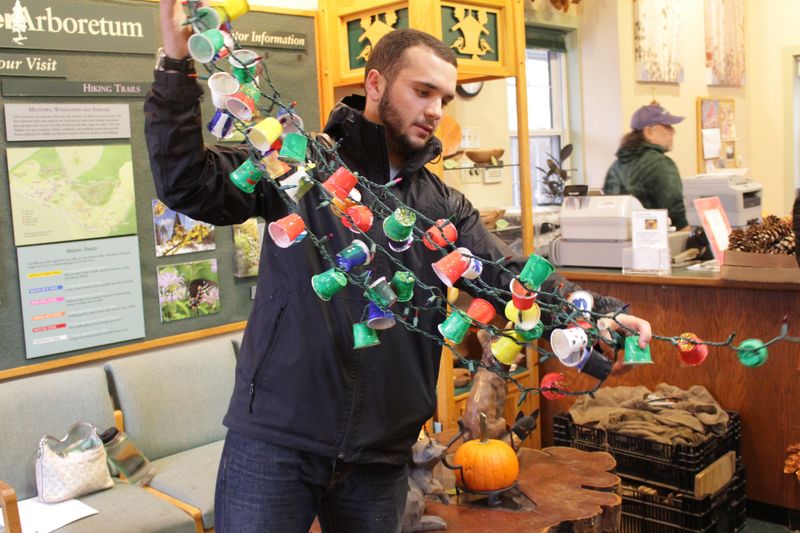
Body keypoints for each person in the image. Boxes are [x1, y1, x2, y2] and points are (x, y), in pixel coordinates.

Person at [145, 2, 652, 531]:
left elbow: (509, 276)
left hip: (381, 452)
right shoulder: (298, 165)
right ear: (376, 84)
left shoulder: (441, 209)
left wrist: (598, 317)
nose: (436, 109)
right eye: (422, 91)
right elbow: (186, 182)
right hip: (277, 437)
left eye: (444, 98)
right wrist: (176, 66)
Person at [603, 103, 690, 230]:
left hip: (619, 242)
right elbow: (675, 215)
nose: (673, 131)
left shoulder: (615, 167)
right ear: (648, 132)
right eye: (667, 126)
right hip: (656, 240)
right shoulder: (662, 164)